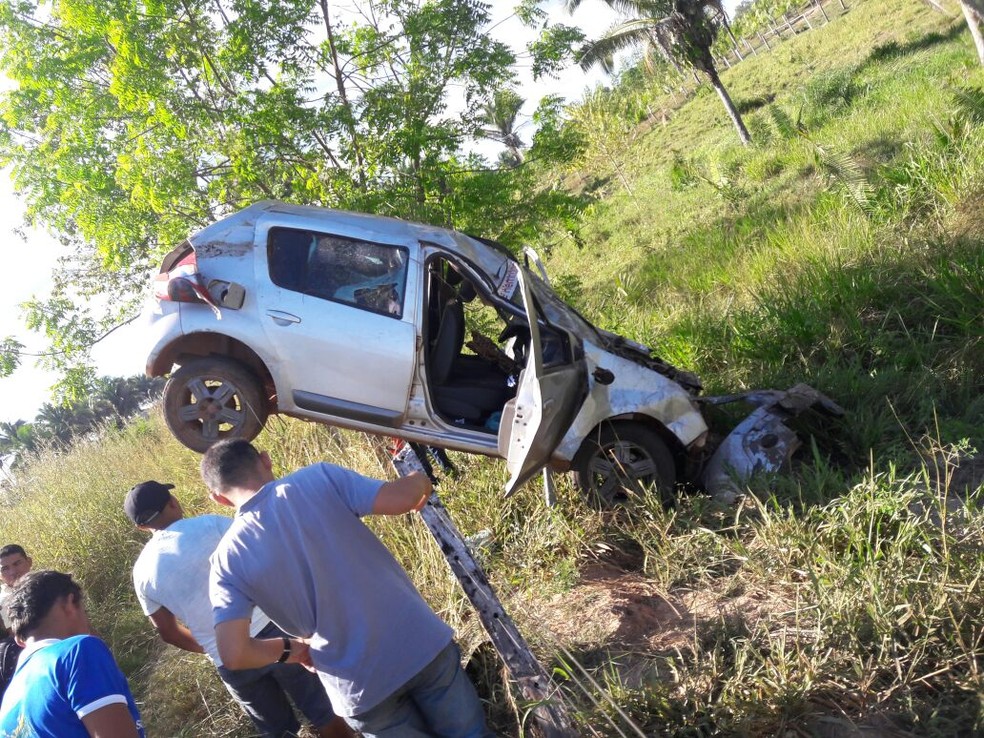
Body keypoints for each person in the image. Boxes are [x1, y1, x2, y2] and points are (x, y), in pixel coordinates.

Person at [202, 439, 495, 738]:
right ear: (266, 460)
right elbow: (402, 499)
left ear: (219, 499)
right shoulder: (318, 478)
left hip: (358, 687)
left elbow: (234, 653)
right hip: (418, 644)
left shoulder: (226, 561)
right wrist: (420, 479)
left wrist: (293, 651)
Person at [125, 480, 352, 738]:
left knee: (276, 731)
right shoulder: (211, 525)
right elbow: (264, 558)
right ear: (173, 503)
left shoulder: (141, 573)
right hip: (274, 631)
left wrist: (214, 646)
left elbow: (168, 633)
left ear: (141, 526)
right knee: (323, 710)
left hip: (230, 658)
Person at [0, 570, 145, 737]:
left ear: (20, 639)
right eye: (85, 611)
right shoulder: (78, 651)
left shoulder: (10, 699)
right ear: (70, 604)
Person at [0, 544, 33, 702]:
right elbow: (13, 632)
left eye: (17, 563)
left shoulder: (49, 587)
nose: (12, 572)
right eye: (5, 568)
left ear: (29, 562)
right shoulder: (4, 601)